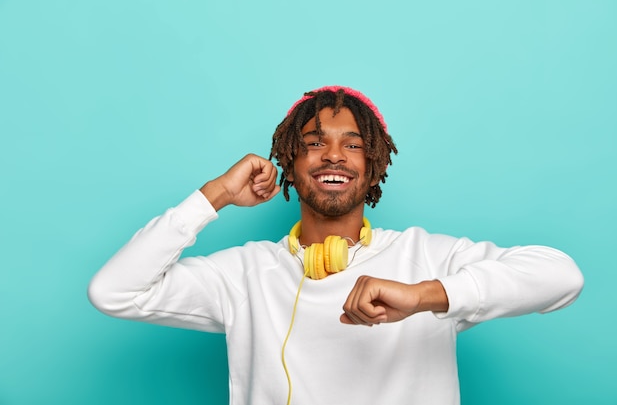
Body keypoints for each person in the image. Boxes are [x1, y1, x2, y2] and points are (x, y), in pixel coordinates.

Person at [88, 86, 584, 405]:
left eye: (352, 143)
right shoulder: (241, 275)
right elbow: (114, 292)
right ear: (288, 160)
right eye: (312, 142)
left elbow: (562, 276)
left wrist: (423, 296)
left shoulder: (430, 258)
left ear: (374, 163)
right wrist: (215, 195)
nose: (333, 156)